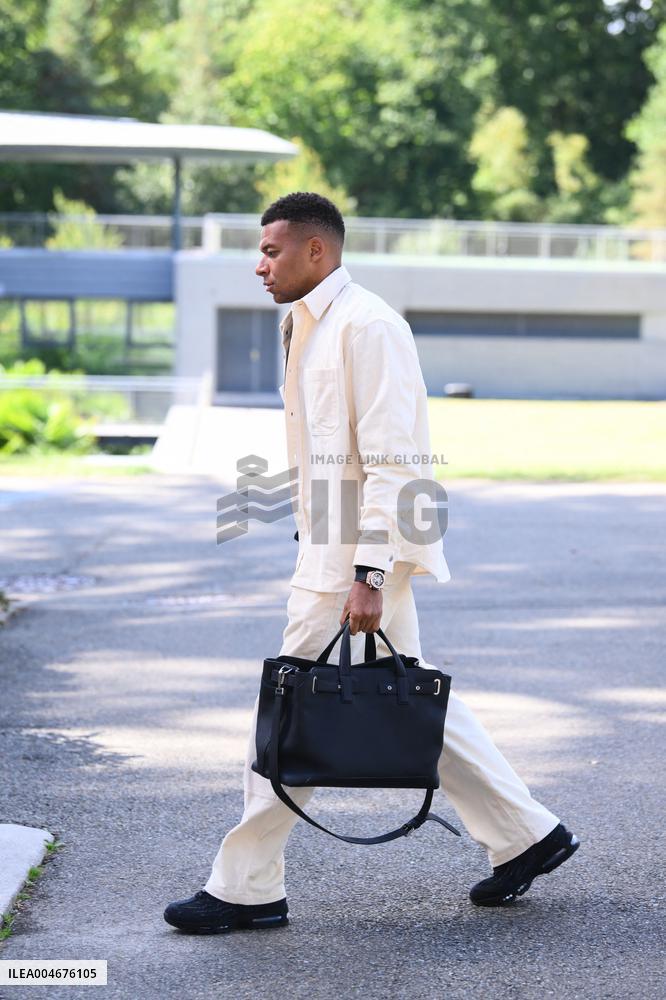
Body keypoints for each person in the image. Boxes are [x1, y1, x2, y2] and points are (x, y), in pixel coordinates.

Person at [164, 192, 579, 934]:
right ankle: (528, 836)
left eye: (272, 250)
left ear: (317, 251)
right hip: (332, 548)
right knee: (407, 694)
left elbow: (397, 459)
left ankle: (246, 887)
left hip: (355, 557)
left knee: (288, 709)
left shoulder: (370, 326)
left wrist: (371, 573)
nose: (259, 265)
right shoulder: (305, 325)